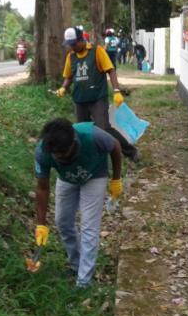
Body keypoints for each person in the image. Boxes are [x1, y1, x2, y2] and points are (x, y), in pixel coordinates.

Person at [34, 118, 124, 287]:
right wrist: (41, 224)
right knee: (62, 221)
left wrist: (116, 179)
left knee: (89, 226)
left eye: (64, 156)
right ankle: (76, 264)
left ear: (74, 143)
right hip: (67, 179)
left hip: (94, 176)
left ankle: (84, 281)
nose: (60, 159)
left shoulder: (92, 136)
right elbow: (42, 188)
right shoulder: (43, 151)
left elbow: (115, 147)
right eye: (57, 157)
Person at [56, 27, 140, 162]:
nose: (71, 47)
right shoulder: (70, 57)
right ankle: (90, 159)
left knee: (104, 129)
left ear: (81, 40)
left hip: (97, 99)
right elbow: (68, 76)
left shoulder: (97, 52)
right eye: (69, 45)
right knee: (83, 132)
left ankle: (130, 151)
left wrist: (116, 91)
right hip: (80, 100)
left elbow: (111, 70)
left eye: (73, 44)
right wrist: (63, 88)